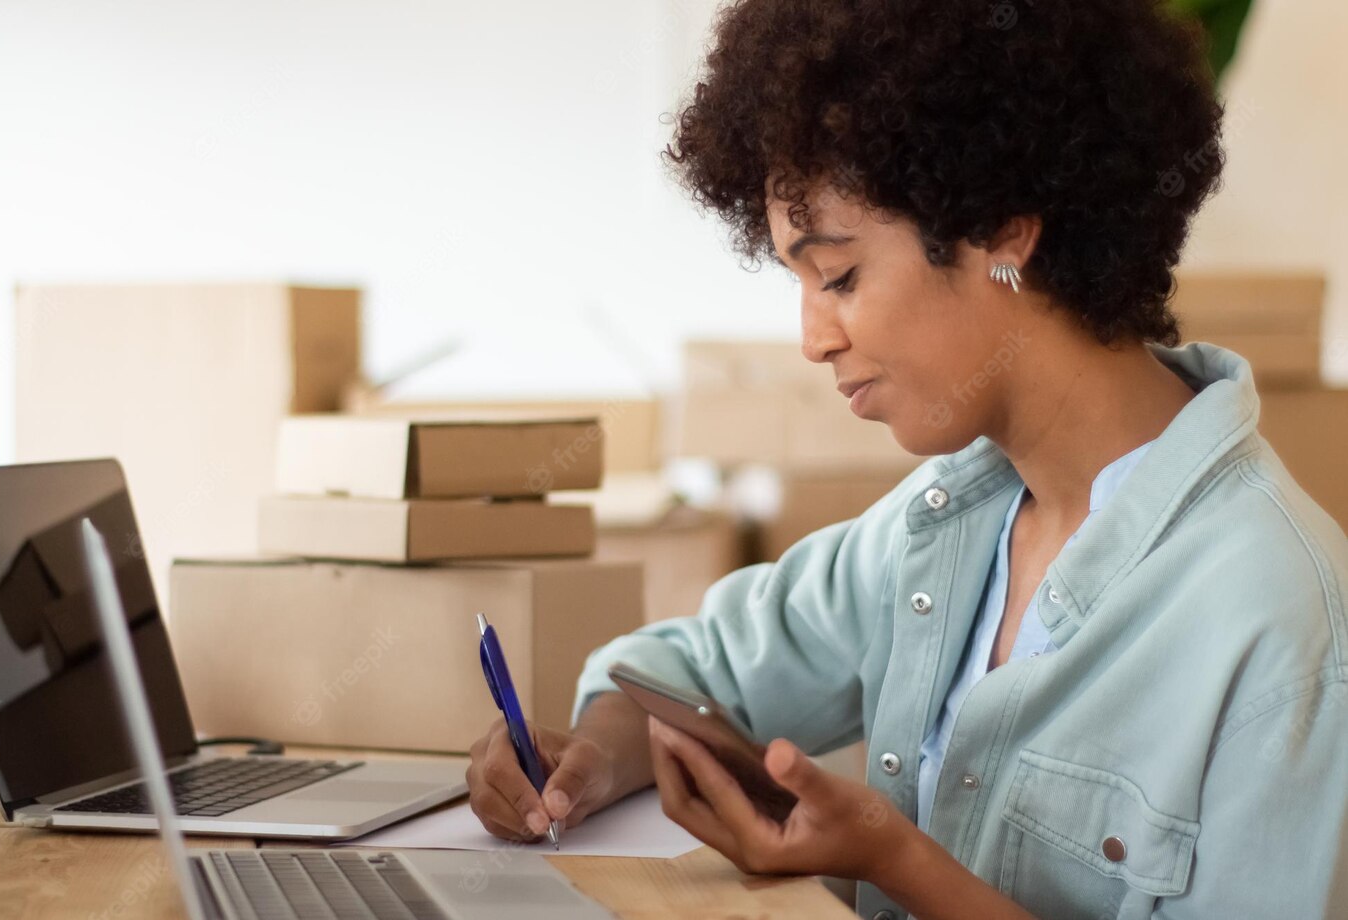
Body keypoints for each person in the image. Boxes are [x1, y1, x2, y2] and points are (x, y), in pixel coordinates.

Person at [466, 1, 1348, 917]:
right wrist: (583, 764)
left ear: (1005, 230)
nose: (813, 339)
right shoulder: (945, 523)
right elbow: (675, 673)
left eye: (840, 276)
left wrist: (895, 859)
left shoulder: (1281, 624)